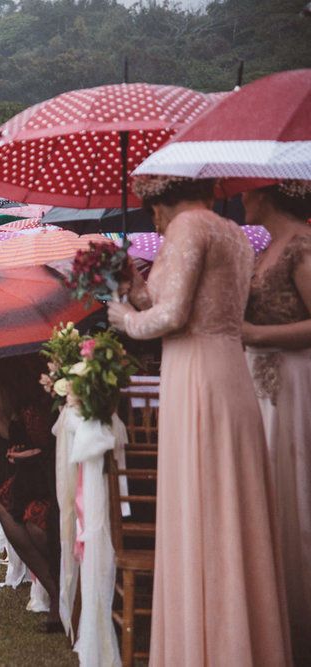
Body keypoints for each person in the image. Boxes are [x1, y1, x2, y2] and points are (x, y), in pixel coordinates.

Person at [107, 175, 291, 665]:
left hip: (195, 375)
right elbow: (182, 304)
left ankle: (207, 646)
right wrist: (137, 287)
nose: (155, 221)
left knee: (200, 504)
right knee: (232, 503)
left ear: (163, 201)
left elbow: (171, 318)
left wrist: (122, 317)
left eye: (153, 211)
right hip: (230, 369)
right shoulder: (232, 230)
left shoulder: (188, 226)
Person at [241, 179, 311, 664]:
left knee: (295, 488)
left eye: (249, 188)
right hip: (258, 379)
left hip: (293, 379)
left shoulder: (301, 245)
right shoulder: (265, 247)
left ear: (268, 193)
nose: (241, 195)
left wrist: (255, 332)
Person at [0, 354, 61, 631]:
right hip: (36, 472)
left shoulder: (53, 380)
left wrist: (40, 451)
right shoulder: (15, 389)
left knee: (37, 527)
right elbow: (16, 434)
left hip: (60, 468)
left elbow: (57, 437)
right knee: (4, 506)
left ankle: (69, 593)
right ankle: (56, 590)